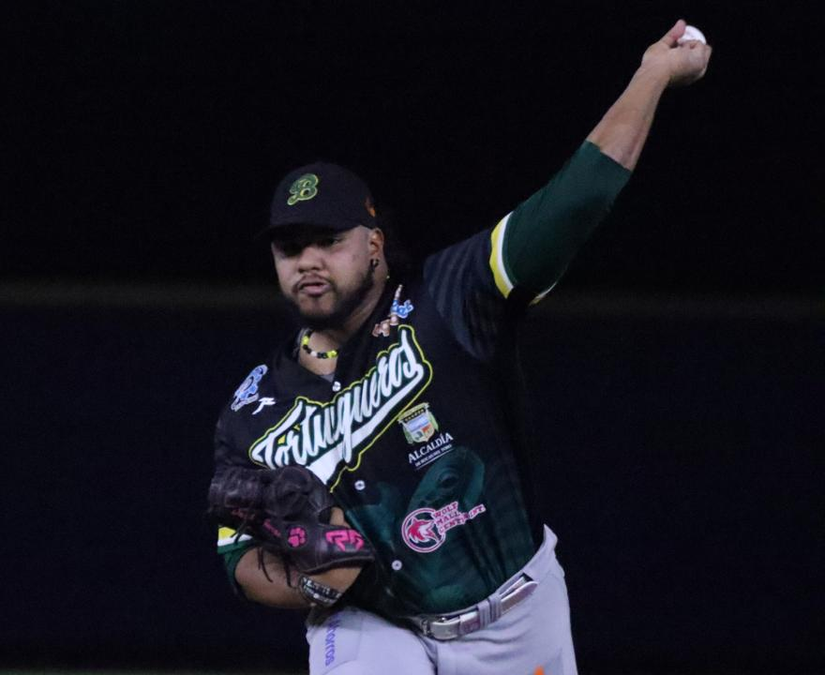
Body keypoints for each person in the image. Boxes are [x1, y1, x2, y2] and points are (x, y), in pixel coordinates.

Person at [211, 21, 711, 675]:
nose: (308, 260)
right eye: (289, 246)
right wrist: (315, 581)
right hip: (374, 620)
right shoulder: (253, 410)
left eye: (328, 239)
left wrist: (651, 75)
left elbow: (575, 199)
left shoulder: (452, 295)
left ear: (374, 242)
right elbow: (238, 557)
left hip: (514, 611)